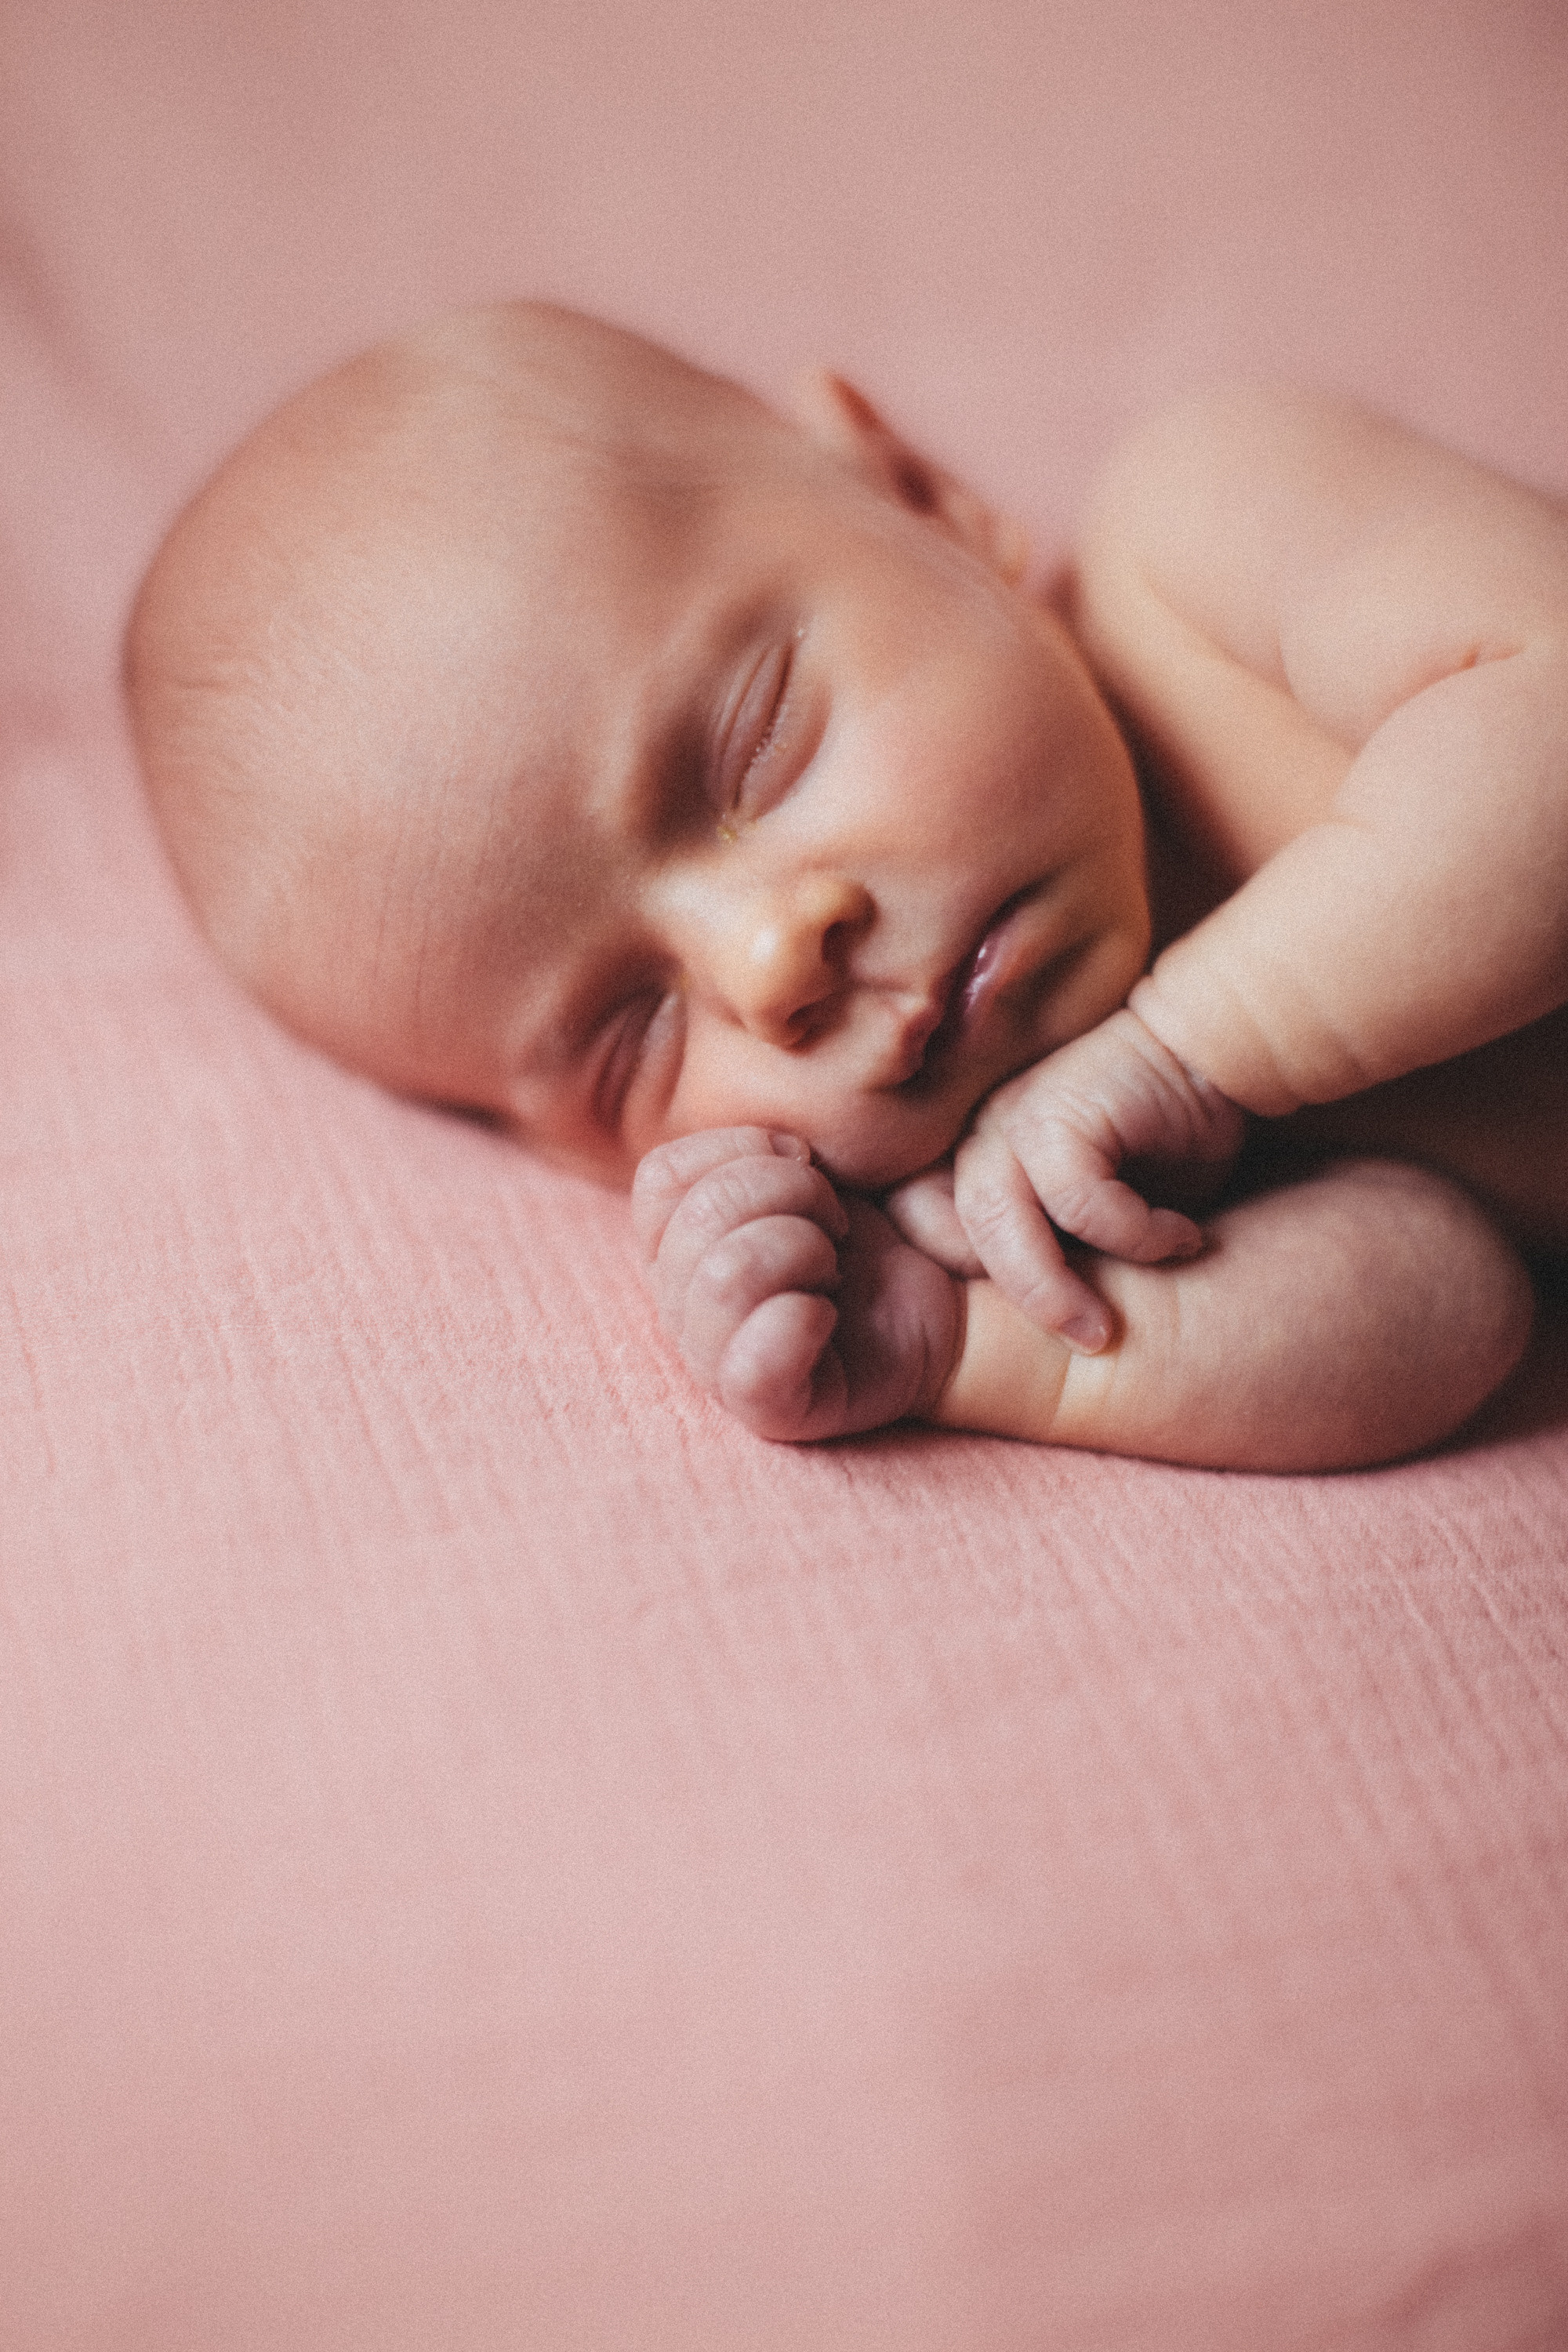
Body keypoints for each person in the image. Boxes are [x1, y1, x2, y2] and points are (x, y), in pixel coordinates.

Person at [125, 303, 1559, 1470]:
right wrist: (954, 1341)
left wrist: (1201, 1050)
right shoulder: (1033, 1158)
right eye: (637, 1037)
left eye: (758, 749)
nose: (770, 965)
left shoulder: (1204, 530)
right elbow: (1452, 1313)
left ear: (912, 495)